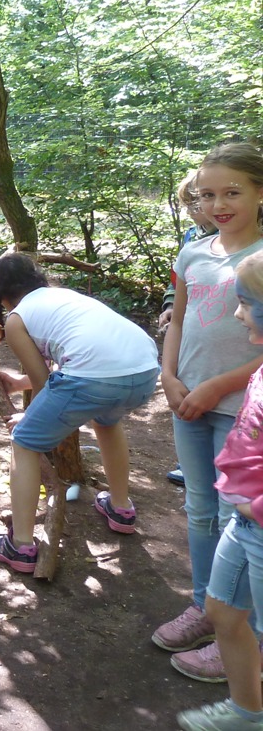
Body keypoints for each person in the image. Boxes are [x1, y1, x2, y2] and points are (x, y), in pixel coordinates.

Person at [156, 142, 263, 682]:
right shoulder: (193, 252)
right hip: (186, 400)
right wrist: (169, 376)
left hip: (244, 411)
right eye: (208, 194)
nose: (218, 203)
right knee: (199, 510)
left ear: (260, 193)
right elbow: (178, 319)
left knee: (236, 520)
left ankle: (240, 635)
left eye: (232, 192)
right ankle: (204, 606)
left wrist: (219, 385)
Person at [0, 253, 160, 574]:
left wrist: (30, 416)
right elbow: (72, 359)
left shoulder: (15, 318)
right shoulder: (63, 296)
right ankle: (121, 509)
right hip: (145, 370)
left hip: (92, 378)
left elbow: (43, 380)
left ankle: (20, 546)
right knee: (107, 421)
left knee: (24, 442)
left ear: (1, 294)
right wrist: (20, 383)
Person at [176, 251, 263, 731]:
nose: (236, 311)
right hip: (242, 520)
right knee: (222, 611)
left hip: (257, 519)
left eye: (247, 302)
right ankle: (248, 712)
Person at [161, 168, 219, 487]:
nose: (192, 211)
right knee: (187, 391)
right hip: (191, 331)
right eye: (189, 205)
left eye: (196, 203)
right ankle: (189, 463)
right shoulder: (190, 238)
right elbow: (177, 279)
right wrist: (170, 306)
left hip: (225, 335)